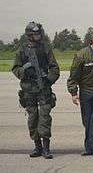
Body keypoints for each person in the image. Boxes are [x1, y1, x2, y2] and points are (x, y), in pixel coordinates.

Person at [12, 21, 60, 159]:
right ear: (29, 35)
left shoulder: (46, 48)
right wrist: (24, 70)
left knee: (45, 118)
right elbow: (15, 69)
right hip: (28, 90)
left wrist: (48, 79)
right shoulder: (21, 50)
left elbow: (54, 68)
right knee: (32, 118)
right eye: (35, 34)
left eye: (39, 33)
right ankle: (37, 146)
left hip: (43, 89)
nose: (39, 36)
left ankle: (46, 148)